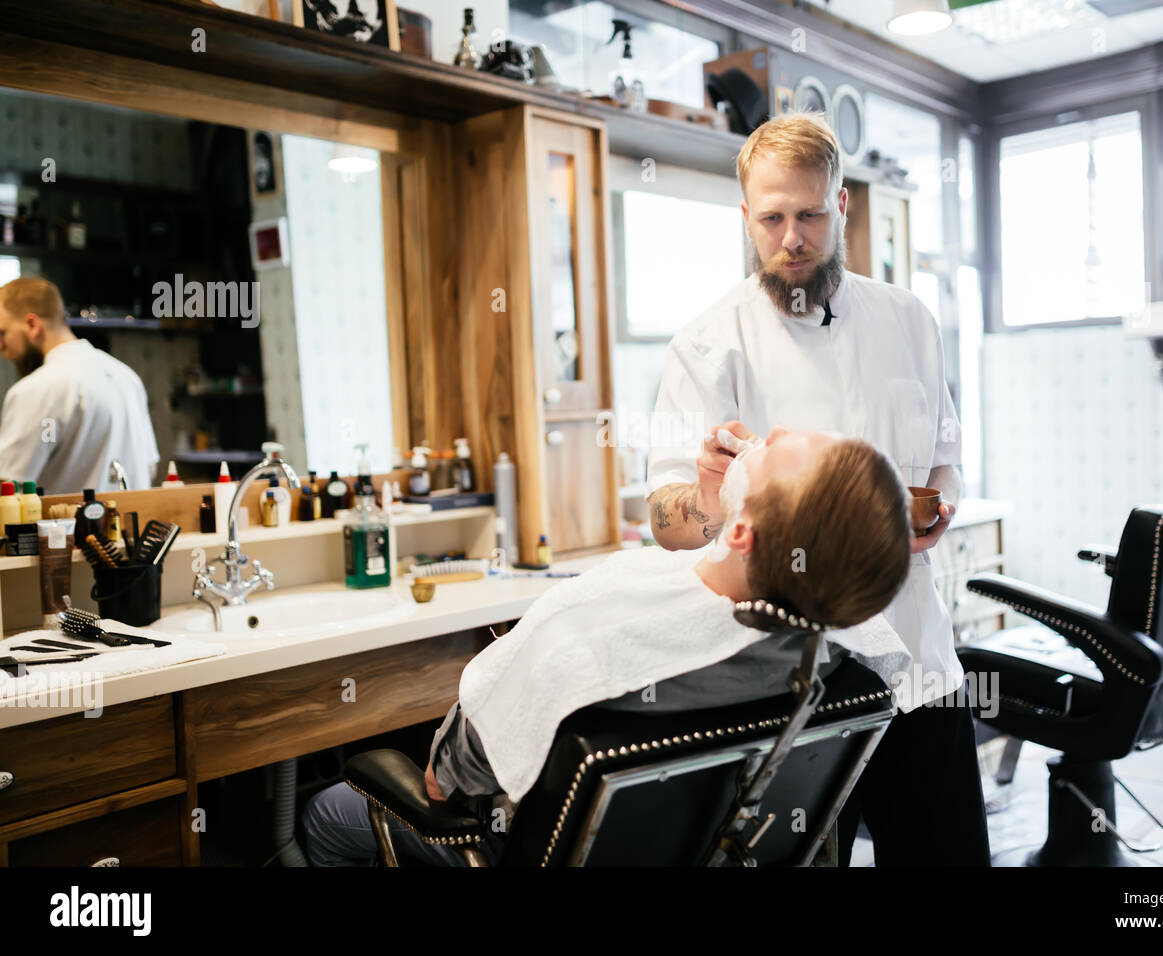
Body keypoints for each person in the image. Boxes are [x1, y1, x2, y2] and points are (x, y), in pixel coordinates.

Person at [304, 427, 913, 866]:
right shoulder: (837, 650)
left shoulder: (588, 636)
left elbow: (443, 784)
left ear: (742, 530)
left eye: (780, 447)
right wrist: (713, 500)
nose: (773, 430)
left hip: (504, 843)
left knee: (327, 813)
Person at [644, 112, 990, 866]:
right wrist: (706, 496)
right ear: (746, 217)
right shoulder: (707, 345)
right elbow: (666, 522)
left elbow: (944, 457)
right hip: (788, 675)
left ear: (842, 205)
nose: (791, 238)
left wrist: (943, 501)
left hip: (912, 648)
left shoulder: (909, 320)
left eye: (808, 214)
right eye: (771, 219)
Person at [0, 277, 159, 493]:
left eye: (3, 333)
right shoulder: (126, 376)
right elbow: (149, 468)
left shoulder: (37, 390)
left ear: (32, 325)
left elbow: (9, 485)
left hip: (73, 527)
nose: (2, 346)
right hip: (135, 522)